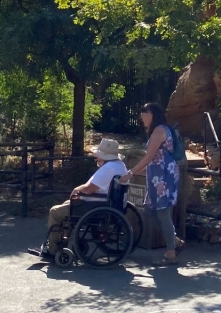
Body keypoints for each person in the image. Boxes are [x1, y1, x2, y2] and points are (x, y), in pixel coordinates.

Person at [35, 138, 128, 259]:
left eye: (98, 155)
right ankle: (62, 241)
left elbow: (89, 188)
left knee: (55, 212)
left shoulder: (108, 168)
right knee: (66, 205)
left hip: (95, 204)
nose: (96, 158)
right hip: (105, 203)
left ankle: (53, 250)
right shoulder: (120, 165)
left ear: (105, 157)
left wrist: (77, 189)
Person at [122, 102, 183, 265]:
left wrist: (131, 172)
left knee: (163, 213)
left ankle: (171, 253)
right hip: (158, 174)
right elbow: (153, 159)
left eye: (144, 113)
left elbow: (149, 157)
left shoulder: (159, 131)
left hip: (164, 175)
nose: (141, 117)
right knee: (150, 212)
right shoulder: (160, 130)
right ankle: (174, 240)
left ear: (152, 114)